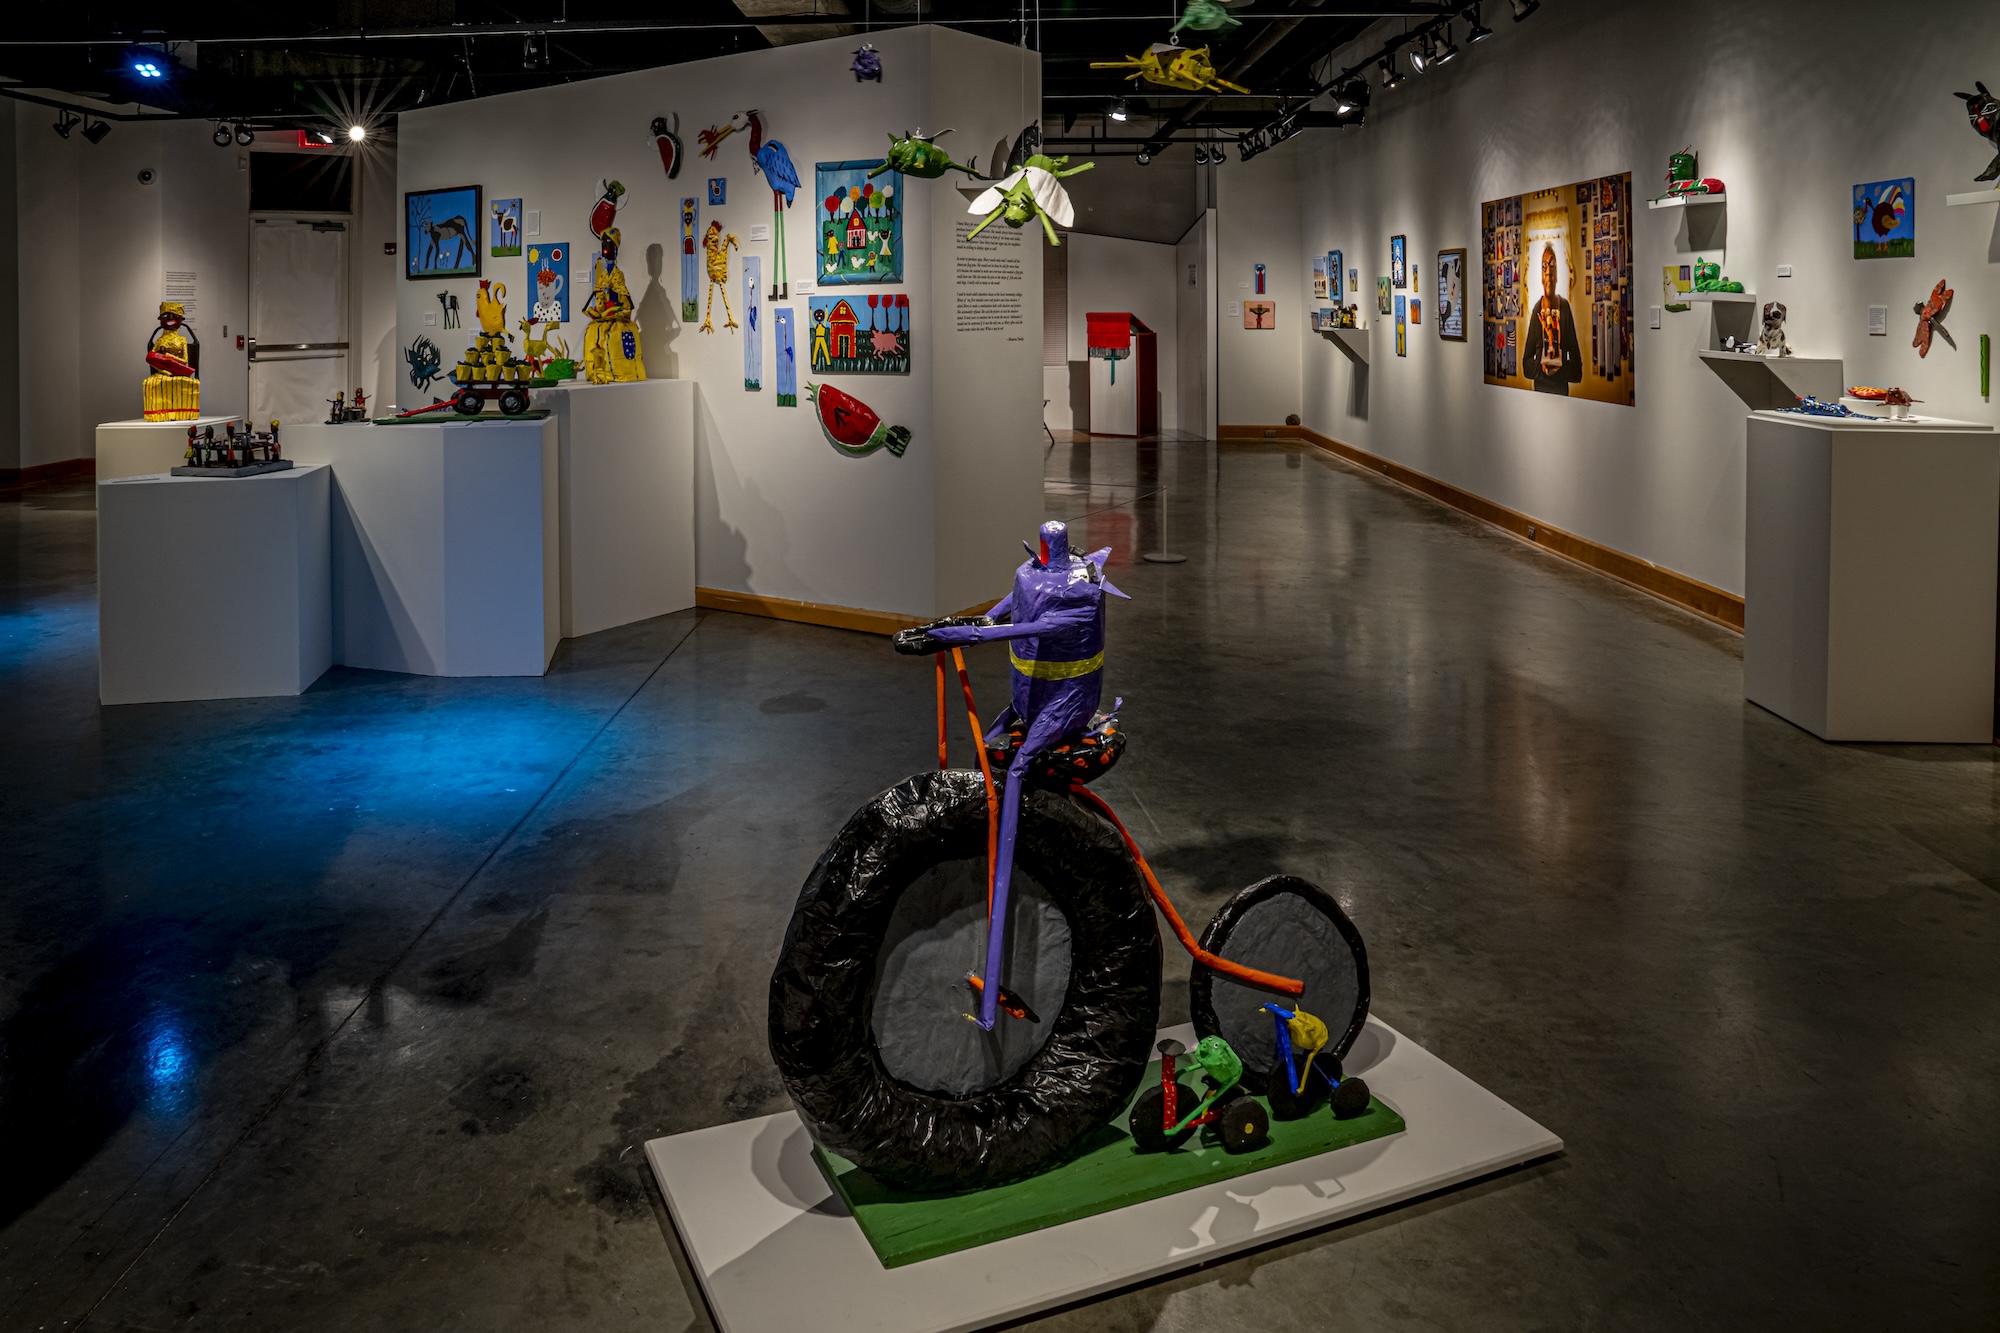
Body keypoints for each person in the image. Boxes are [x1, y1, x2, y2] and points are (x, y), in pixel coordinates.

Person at [1520, 242, 1582, 395]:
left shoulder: (1564, 308)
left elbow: (1577, 370)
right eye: (1544, 267)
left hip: (1561, 394)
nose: (1548, 272)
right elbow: (1526, 365)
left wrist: (1560, 367)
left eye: (1552, 266)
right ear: (1541, 276)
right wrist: (1541, 366)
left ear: (1557, 274)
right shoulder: (1537, 309)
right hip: (1540, 394)